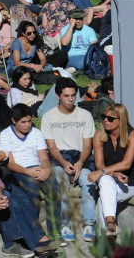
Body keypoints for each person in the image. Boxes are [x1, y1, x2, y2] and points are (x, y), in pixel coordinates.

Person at [40, 77, 97, 243]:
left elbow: (88, 145)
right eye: (66, 96)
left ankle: (89, 224)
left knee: (88, 181)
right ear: (58, 96)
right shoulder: (49, 117)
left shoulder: (85, 115)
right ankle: (65, 224)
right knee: (60, 179)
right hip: (59, 158)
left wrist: (80, 162)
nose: (71, 99)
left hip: (81, 157)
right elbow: (51, 147)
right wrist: (64, 163)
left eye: (73, 95)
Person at [0, 104, 56, 245]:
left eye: (29, 121)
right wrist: (27, 171)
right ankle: (36, 233)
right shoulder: (5, 135)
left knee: (54, 187)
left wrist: (46, 169)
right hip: (19, 170)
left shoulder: (35, 133)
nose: (27, 125)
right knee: (31, 188)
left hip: (37, 167)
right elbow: (10, 163)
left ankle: (55, 231)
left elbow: (43, 157)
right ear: (14, 120)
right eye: (23, 122)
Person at [87, 103, 134, 237]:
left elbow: (126, 164)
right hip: (111, 180)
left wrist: (102, 172)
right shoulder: (100, 135)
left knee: (102, 200)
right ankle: (111, 224)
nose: (105, 120)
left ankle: (103, 243)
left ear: (121, 120)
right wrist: (114, 173)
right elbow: (100, 165)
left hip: (130, 182)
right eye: (104, 117)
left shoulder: (132, 135)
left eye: (110, 118)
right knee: (105, 180)